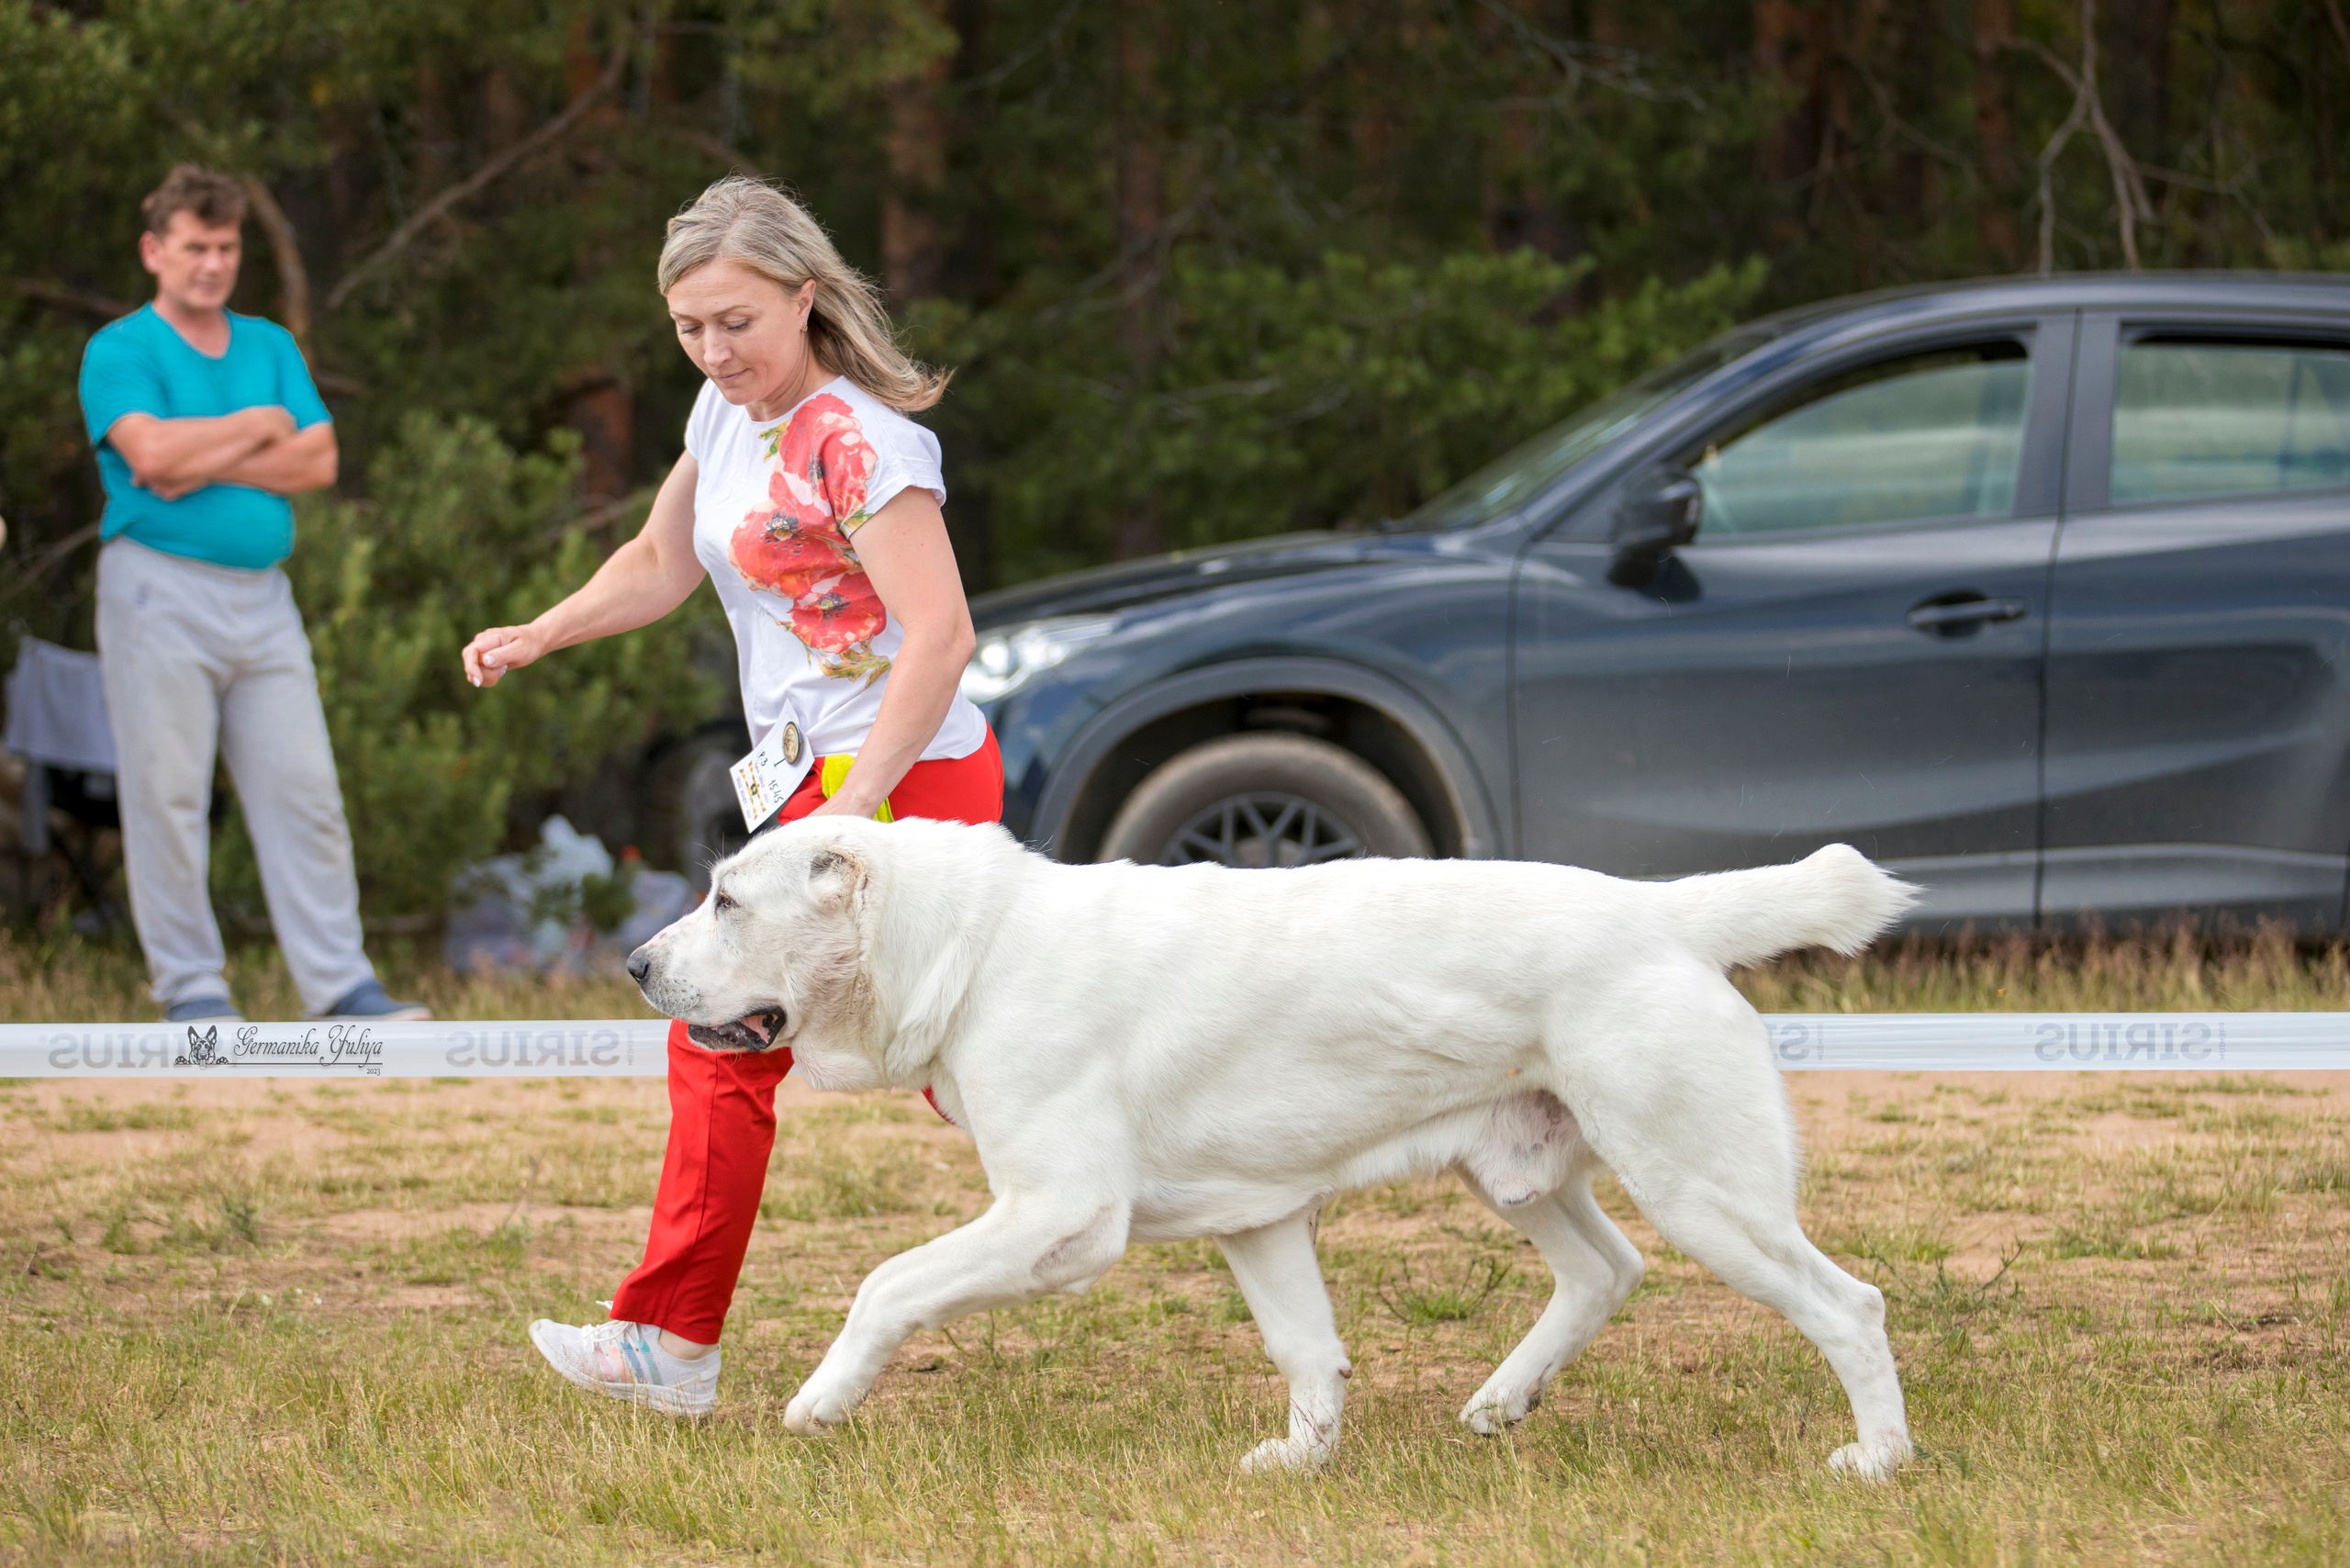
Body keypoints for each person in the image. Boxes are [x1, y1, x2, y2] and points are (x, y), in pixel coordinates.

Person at [463, 176, 999, 1416]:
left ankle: (668, 1343)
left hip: (900, 782)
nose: (713, 351)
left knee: (800, 1036)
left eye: (737, 323)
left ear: (804, 298)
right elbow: (660, 560)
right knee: (929, 1055)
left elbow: (941, 636)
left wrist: (850, 817)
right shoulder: (724, 416)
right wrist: (544, 631)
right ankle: (672, 1344)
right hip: (819, 788)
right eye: (689, 327)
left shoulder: (861, 441)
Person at [78, 164, 427, 1026]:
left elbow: (319, 460)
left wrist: (197, 455)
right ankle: (192, 990)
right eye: (195, 247)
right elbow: (149, 458)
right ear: (155, 251)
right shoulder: (120, 349)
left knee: (306, 792)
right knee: (167, 796)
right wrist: (261, 425)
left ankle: (340, 986)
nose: (213, 264)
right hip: (156, 591)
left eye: (227, 247)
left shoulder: (268, 344)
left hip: (263, 599)